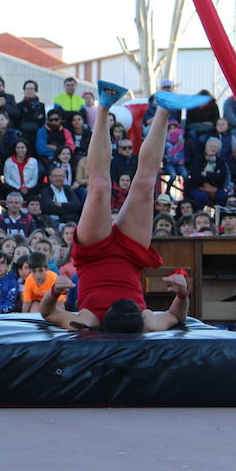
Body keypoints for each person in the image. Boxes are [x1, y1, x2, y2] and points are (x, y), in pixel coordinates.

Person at [40, 80, 193, 332]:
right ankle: (164, 110)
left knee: (99, 186)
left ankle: (103, 107)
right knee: (145, 184)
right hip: (132, 255)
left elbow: (48, 313)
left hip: (93, 254)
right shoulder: (147, 322)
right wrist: (183, 294)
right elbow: (175, 317)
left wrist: (55, 292)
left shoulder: (88, 320)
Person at [16, 79, 46, 149]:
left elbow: (42, 121)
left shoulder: (41, 105)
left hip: (37, 135)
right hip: (23, 135)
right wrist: (34, 117)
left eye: (31, 89)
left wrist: (28, 118)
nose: (29, 91)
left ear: (36, 90)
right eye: (27, 89)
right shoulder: (18, 105)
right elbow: (18, 121)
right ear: (24, 90)